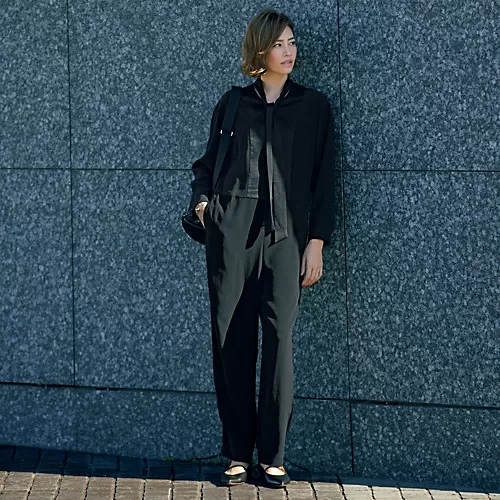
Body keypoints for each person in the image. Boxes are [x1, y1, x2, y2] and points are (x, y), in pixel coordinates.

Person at [188, 8, 335, 488]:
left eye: (292, 42)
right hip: (231, 237)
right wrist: (204, 206)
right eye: (279, 44)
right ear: (260, 50)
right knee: (231, 342)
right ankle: (236, 452)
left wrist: (316, 242)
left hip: (286, 239)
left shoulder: (314, 107)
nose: (289, 52)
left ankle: (273, 456)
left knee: (279, 343)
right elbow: (206, 165)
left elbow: (324, 180)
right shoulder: (233, 104)